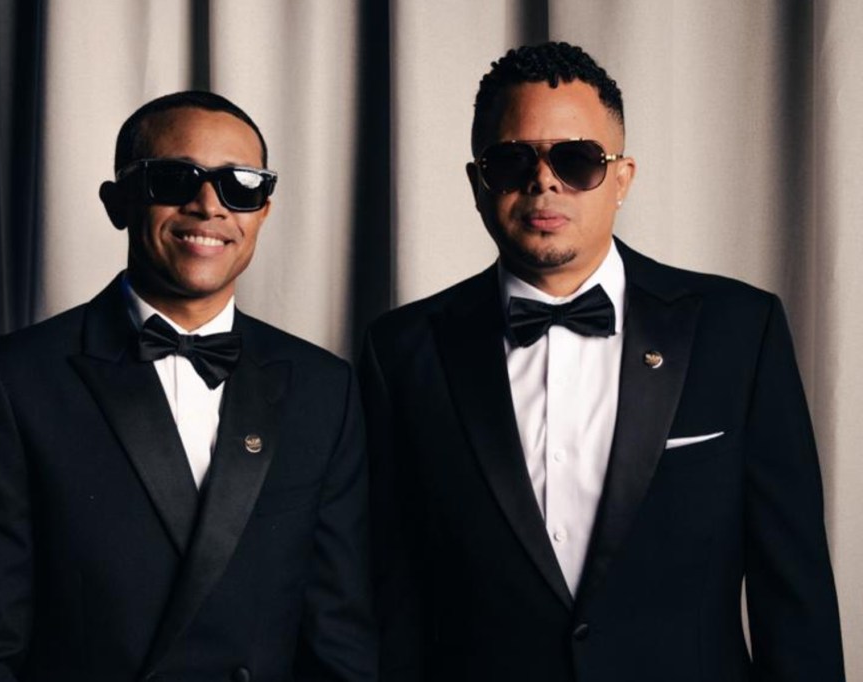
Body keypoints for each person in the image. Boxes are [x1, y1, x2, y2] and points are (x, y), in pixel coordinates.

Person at [360, 42, 844, 681]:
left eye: (577, 159)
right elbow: (390, 599)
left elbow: (796, 595)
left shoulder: (739, 330)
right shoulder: (400, 351)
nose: (544, 181)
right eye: (512, 160)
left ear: (621, 179)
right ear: (478, 184)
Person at [0, 91, 376, 682]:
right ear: (118, 202)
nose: (209, 206)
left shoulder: (324, 388)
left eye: (240, 185)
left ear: (263, 211)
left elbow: (341, 641)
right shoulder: (12, 380)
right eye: (173, 179)